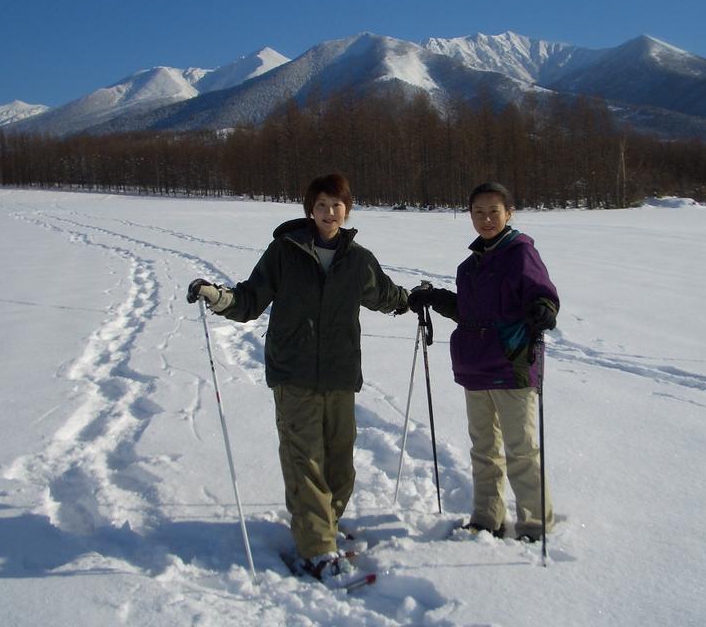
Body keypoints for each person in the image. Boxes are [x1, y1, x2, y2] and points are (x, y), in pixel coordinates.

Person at [187, 173, 408, 584]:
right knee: (304, 462)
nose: (329, 213)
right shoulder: (284, 252)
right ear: (310, 208)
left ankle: (324, 526)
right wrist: (217, 296)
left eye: (337, 205)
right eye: (322, 204)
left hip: (341, 376)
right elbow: (250, 299)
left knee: (340, 465)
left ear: (348, 209)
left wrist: (414, 301)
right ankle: (317, 550)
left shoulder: (357, 258)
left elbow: (385, 294)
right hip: (295, 374)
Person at [408, 181, 559, 542]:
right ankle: (487, 516)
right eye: (479, 212)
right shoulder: (470, 266)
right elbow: (469, 311)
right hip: (475, 367)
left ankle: (536, 523)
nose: (487, 218)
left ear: (509, 213)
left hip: (511, 364)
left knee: (521, 450)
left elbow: (543, 292)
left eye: (494, 211)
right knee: (484, 450)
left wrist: (544, 308)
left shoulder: (521, 254)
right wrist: (436, 298)